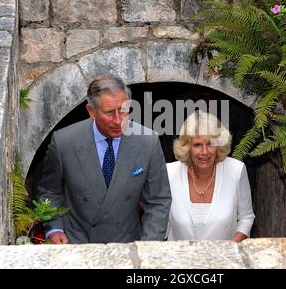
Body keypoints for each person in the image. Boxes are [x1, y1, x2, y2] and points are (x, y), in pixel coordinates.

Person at [37, 74, 172, 244]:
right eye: (109, 113)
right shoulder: (64, 142)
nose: (118, 120)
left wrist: (147, 246)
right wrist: (55, 228)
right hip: (77, 243)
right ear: (91, 112)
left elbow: (158, 201)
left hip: (126, 244)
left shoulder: (148, 141)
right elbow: (50, 191)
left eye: (123, 110)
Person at [166, 111, 255, 242]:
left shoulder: (236, 170)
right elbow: (160, 223)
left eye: (210, 143)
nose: (205, 152)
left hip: (225, 259)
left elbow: (246, 218)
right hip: (179, 260)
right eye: (197, 145)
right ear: (186, 147)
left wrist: (230, 249)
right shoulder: (170, 173)